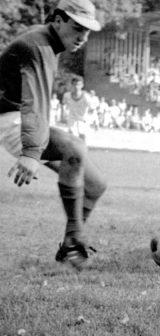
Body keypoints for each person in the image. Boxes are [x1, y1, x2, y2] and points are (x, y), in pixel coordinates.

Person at [0, 0, 106, 270]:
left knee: (95, 186)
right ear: (58, 20)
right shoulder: (38, 45)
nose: (82, 37)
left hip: (20, 116)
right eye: (77, 28)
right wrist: (31, 153)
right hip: (7, 118)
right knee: (76, 149)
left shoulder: (49, 42)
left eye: (87, 30)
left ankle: (68, 247)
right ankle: (74, 237)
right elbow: (34, 103)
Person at [62, 75, 95, 141]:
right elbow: (63, 105)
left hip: (83, 120)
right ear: (72, 85)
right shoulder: (67, 95)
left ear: (82, 85)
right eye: (74, 84)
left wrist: (89, 119)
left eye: (78, 84)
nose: (76, 87)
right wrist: (64, 115)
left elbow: (92, 109)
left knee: (82, 138)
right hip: (72, 120)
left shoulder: (86, 96)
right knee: (72, 138)